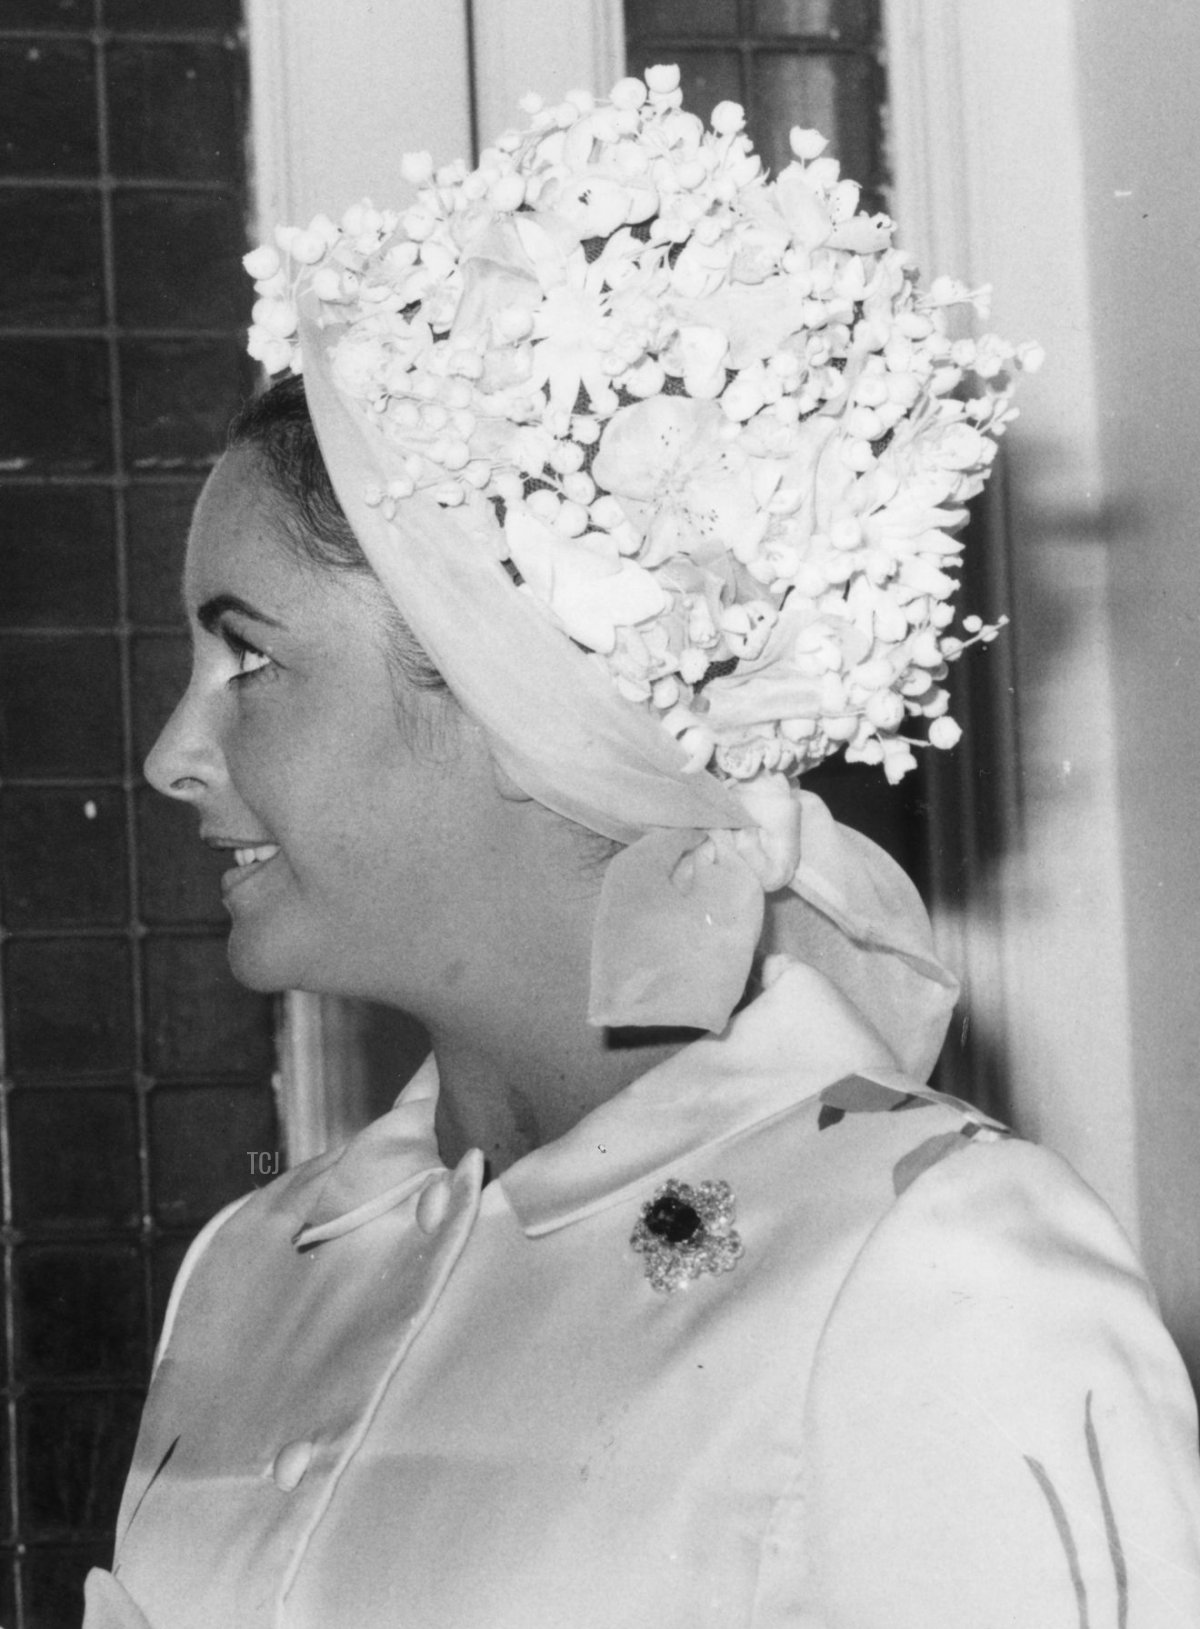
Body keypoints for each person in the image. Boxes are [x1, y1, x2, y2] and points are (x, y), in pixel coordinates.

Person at [85, 68, 1200, 1628]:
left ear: (525, 695)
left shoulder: (921, 1267)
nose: (169, 756)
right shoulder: (255, 1267)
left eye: (248, 658)